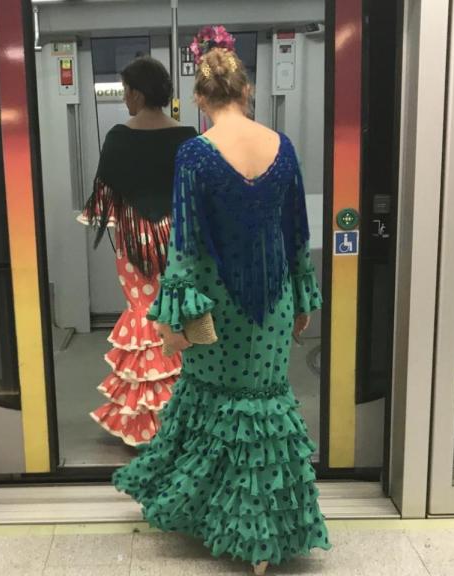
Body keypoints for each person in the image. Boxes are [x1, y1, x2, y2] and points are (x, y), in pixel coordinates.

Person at [113, 27, 330, 574]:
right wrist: (303, 298)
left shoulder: (195, 154)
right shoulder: (284, 148)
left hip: (214, 306)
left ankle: (221, 521)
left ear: (203, 99)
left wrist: (174, 317)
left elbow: (185, 245)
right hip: (274, 302)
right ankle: (266, 534)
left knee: (213, 403)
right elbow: (296, 233)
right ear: (247, 91)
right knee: (267, 401)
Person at [80, 56, 198, 446]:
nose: (125, 98)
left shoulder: (118, 137)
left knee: (143, 314)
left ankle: (146, 418)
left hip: (134, 239)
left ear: (138, 92)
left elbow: (104, 198)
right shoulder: (187, 136)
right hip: (178, 239)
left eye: (127, 90)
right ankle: (181, 414)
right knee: (178, 316)